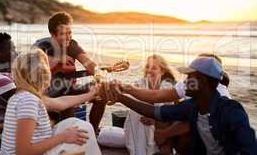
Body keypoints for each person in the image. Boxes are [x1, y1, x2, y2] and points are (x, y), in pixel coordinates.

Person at [109, 56, 257, 155]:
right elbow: (156, 111)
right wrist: (120, 97)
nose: (184, 81)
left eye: (189, 77)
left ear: (203, 81)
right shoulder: (192, 106)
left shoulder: (232, 111)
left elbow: (249, 149)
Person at [34, 12, 129, 133]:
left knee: (100, 94)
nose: (68, 37)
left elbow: (89, 64)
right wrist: (56, 58)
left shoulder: (72, 45)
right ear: (52, 34)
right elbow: (30, 59)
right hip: (46, 93)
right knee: (68, 104)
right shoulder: (42, 45)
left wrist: (103, 73)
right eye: (62, 34)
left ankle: (94, 131)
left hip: (68, 88)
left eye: (69, 33)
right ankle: (69, 139)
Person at [0, 48, 101, 155]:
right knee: (85, 131)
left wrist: (89, 95)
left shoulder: (23, 95)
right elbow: (23, 151)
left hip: (37, 146)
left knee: (74, 124)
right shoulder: (28, 101)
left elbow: (61, 103)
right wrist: (63, 137)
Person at [120, 53, 230, 104]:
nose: (185, 80)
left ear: (204, 80)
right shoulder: (189, 89)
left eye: (190, 75)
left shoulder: (223, 102)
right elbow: (156, 96)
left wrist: (164, 132)